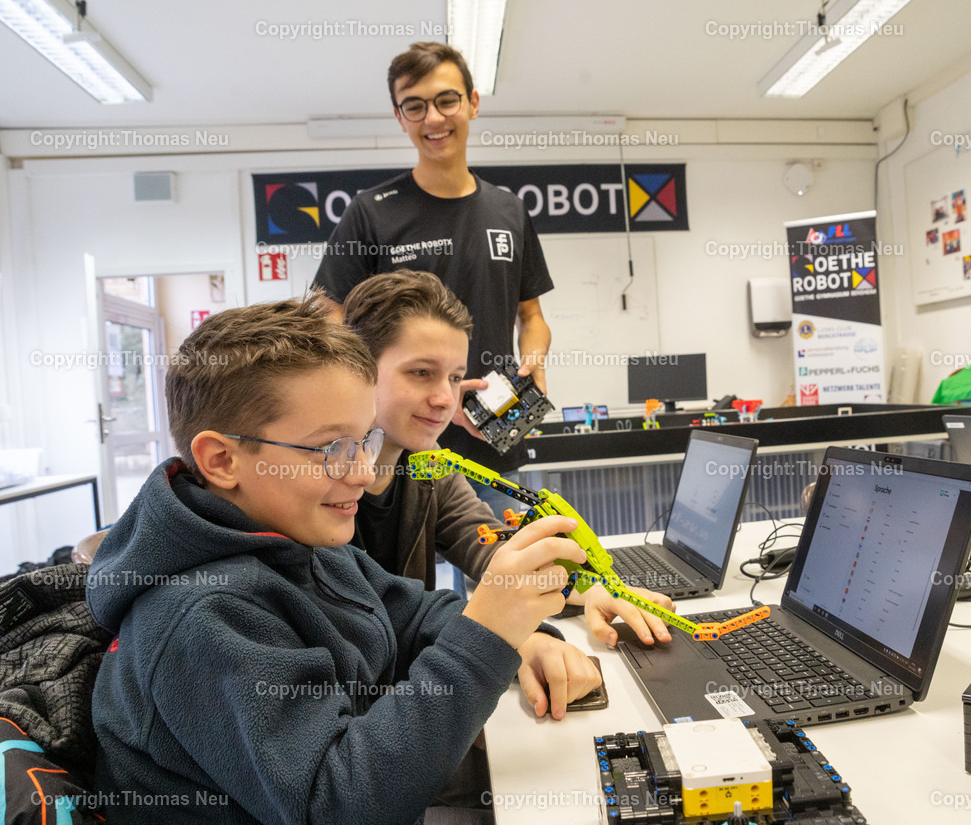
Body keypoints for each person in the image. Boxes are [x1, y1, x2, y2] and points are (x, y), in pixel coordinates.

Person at [85, 293, 591, 824]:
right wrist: (486, 636)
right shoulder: (200, 619)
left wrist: (523, 638)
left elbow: (414, 615)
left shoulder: (298, 541)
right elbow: (340, 804)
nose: (362, 473)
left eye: (364, 441)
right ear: (222, 459)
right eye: (332, 449)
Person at [342, 271, 674, 717]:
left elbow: (486, 543)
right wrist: (510, 637)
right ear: (357, 369)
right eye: (421, 373)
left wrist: (587, 587)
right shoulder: (318, 486)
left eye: (455, 377)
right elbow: (379, 614)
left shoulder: (430, 465)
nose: (445, 398)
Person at [313, 42, 553, 509]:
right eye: (415, 106)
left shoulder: (509, 211)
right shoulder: (370, 214)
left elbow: (533, 315)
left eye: (446, 100)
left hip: (494, 431)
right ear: (400, 117)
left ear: (473, 103)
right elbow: (328, 323)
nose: (433, 119)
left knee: (510, 571)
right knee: (390, 577)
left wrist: (535, 362)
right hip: (390, 448)